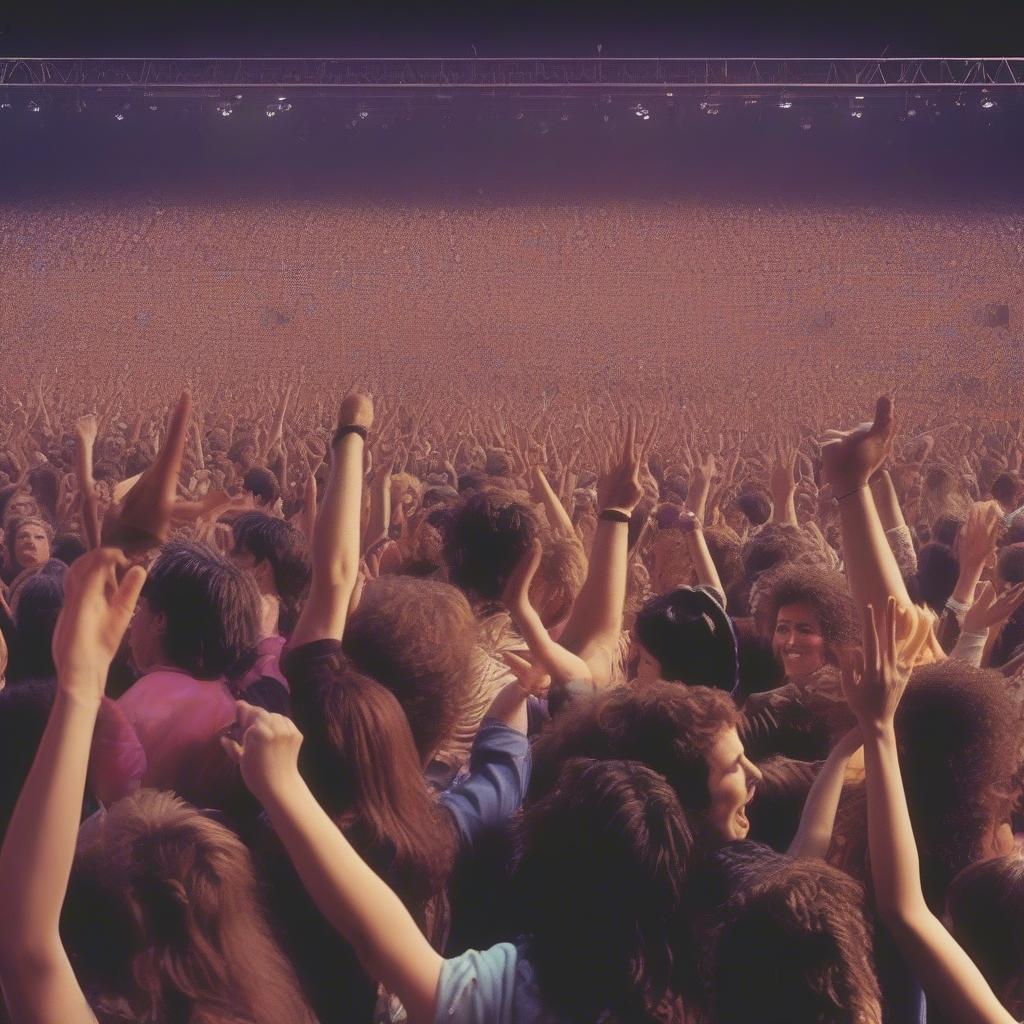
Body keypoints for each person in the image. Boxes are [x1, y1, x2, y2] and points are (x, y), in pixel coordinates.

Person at [0, 548, 316, 1024]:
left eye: (142, 610)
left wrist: (79, 688)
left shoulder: (125, 713)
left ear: (162, 621)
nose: (132, 624)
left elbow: (28, 945)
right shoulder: (237, 708)